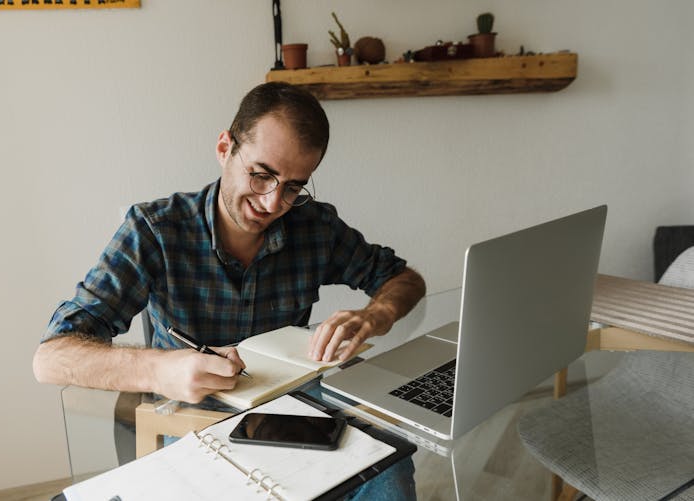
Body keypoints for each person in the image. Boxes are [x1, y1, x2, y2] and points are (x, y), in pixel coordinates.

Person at [33, 82, 425, 498]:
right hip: (191, 425)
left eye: (293, 187)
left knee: (392, 472)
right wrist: (161, 370)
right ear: (225, 148)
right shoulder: (155, 231)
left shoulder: (315, 227)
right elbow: (50, 358)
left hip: (296, 419)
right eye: (261, 175)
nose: (273, 203)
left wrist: (375, 314)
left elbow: (404, 279)